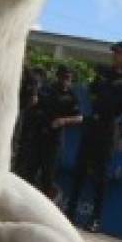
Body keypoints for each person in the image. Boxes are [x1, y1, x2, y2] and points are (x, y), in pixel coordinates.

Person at [64, 41, 122, 231]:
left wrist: (120, 115)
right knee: (80, 169)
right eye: (114, 52)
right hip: (93, 123)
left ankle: (95, 219)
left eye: (120, 53)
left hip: (108, 125)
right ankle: (70, 213)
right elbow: (91, 93)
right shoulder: (103, 72)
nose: (115, 56)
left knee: (101, 174)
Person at [29, 65, 82, 198]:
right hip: (38, 135)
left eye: (68, 79)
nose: (65, 81)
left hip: (54, 139)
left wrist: (63, 121)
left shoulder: (71, 97)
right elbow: (34, 105)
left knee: (48, 174)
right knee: (30, 170)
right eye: (63, 78)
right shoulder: (46, 90)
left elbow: (79, 117)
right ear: (58, 77)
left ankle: (44, 200)